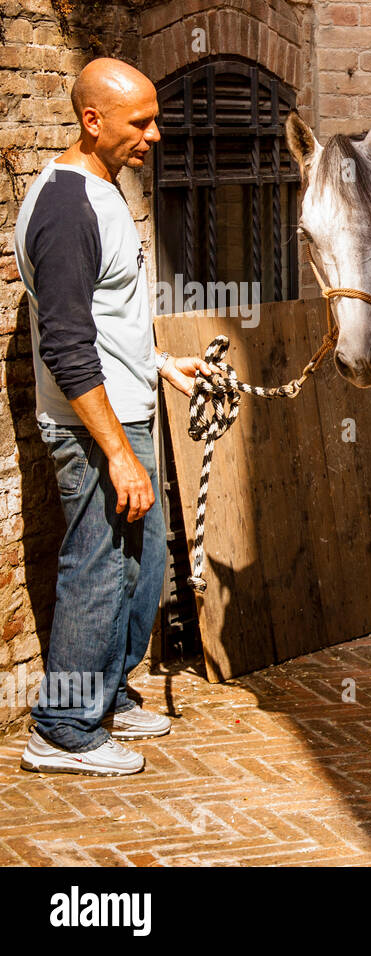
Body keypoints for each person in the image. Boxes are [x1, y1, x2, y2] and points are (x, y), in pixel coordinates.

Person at [14, 58, 213, 776]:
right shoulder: (67, 209)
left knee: (141, 566)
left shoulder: (100, 190)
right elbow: (66, 344)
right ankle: (63, 728)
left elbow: (106, 316)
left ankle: (106, 696)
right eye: (140, 122)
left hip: (126, 411)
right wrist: (117, 453)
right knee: (96, 571)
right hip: (91, 428)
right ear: (92, 121)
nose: (154, 136)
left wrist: (159, 363)